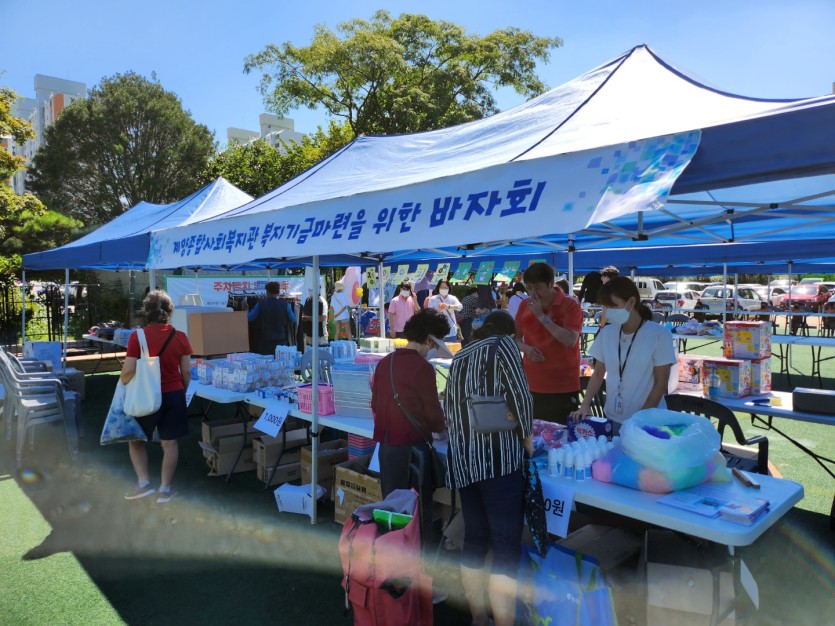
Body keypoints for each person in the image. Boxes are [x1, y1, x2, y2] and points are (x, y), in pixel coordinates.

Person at [444, 312, 534, 626]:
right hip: (498, 461)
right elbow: (520, 396)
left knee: (475, 539)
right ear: (510, 334)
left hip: (463, 461)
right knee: (506, 545)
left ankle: (479, 617)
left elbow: (450, 409)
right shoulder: (503, 346)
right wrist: (528, 438)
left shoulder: (460, 357)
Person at [370, 309, 449, 531]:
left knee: (392, 508)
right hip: (413, 451)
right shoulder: (423, 368)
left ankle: (391, 543)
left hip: (387, 448)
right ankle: (415, 546)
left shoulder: (385, 363)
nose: (433, 350)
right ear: (428, 340)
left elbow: (375, 404)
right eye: (434, 345)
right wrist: (442, 428)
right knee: (415, 511)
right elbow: (433, 413)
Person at [571, 277, 677, 433]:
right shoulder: (607, 333)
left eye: (612, 306)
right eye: (605, 306)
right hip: (612, 419)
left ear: (631, 302)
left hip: (648, 424)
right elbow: (598, 373)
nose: (608, 311)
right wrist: (585, 404)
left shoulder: (659, 334)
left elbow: (660, 383)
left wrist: (639, 420)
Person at [122, 290, 193, 503]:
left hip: (144, 395)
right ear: (170, 311)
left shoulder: (138, 336)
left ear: (147, 311)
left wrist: (123, 385)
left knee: (136, 440)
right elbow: (186, 372)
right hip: (174, 394)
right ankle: (165, 489)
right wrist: (182, 391)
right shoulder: (180, 337)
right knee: (169, 444)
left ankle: (144, 483)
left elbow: (128, 370)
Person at [514, 262, 583, 424]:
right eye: (529, 288)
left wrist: (541, 316)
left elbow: (570, 340)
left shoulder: (570, 305)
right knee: (535, 434)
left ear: (551, 284)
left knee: (563, 434)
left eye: (537, 288)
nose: (533, 293)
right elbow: (514, 339)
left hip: (563, 385)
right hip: (532, 383)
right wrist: (527, 349)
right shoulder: (524, 305)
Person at [247, 281, 297, 355]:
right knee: (281, 361)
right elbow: (294, 319)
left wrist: (246, 309)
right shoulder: (285, 305)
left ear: (267, 292)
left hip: (265, 341)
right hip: (281, 341)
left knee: (265, 361)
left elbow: (250, 318)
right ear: (278, 292)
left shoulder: (260, 304)